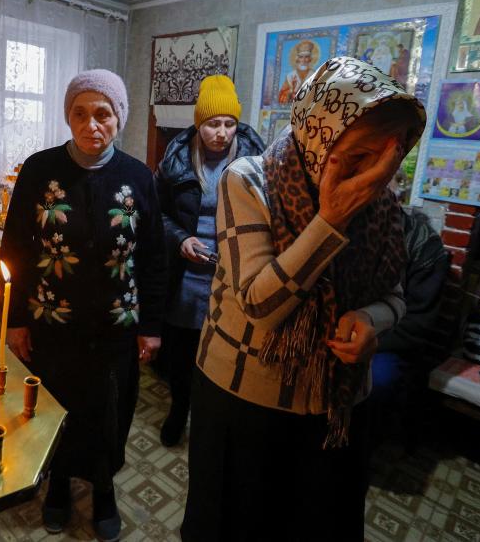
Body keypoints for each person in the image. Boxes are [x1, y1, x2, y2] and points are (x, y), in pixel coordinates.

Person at [181, 56, 425, 541]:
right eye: (357, 157)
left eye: (388, 157)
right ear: (318, 135)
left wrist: (369, 321)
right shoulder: (248, 180)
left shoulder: (383, 204)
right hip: (245, 399)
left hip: (336, 404)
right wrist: (330, 221)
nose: (373, 175)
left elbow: (396, 295)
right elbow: (259, 305)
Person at [0, 69, 166, 541]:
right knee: (57, 407)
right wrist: (16, 321)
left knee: (108, 410)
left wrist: (150, 325)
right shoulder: (39, 170)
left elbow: (153, 256)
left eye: (102, 113)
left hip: (117, 326)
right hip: (53, 323)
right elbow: (15, 250)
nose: (91, 124)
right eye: (80, 113)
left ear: (119, 118)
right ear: (68, 116)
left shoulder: (138, 177)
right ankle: (56, 483)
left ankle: (104, 486)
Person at [155, 75, 265, 447]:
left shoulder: (257, 159)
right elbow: (158, 213)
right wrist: (181, 238)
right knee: (183, 354)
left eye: (228, 124)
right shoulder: (175, 159)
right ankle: (178, 409)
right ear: (198, 124)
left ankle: (211, 423)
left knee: (224, 354)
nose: (221, 133)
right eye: (212, 124)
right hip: (187, 275)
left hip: (232, 276)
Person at [368, 208, 450, 444]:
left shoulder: (423, 245)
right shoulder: (341, 224)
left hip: (388, 340)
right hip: (343, 329)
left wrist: (368, 340)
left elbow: (417, 323)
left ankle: (360, 448)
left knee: (376, 381)